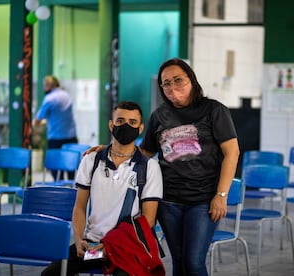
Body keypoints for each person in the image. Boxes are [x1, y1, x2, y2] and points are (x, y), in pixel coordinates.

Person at [87, 58, 240, 275]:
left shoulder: (214, 110)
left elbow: (232, 153)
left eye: (178, 80)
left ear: (192, 80)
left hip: (203, 200)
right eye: (166, 83)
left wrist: (221, 195)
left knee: (194, 262)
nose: (171, 87)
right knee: (178, 261)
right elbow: (145, 152)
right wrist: (111, 148)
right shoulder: (160, 115)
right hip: (169, 202)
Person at [41, 101, 164, 276]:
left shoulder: (149, 167)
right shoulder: (91, 160)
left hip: (127, 248)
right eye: (120, 121)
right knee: (51, 273)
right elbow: (80, 207)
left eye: (133, 122)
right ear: (111, 124)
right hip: (93, 247)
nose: (126, 126)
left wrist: (110, 246)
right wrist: (78, 239)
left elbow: (148, 220)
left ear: (141, 128)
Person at [33, 75, 78, 180]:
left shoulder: (49, 99)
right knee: (71, 168)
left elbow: (38, 119)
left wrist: (37, 123)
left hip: (56, 137)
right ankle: (71, 191)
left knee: (56, 171)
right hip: (71, 136)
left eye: (45, 85)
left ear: (49, 86)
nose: (43, 88)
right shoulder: (66, 95)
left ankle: (60, 191)